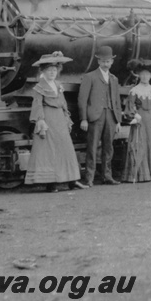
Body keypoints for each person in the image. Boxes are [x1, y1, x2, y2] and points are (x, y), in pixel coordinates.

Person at [25, 51, 89, 192]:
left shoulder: (58, 84)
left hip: (60, 119)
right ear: (43, 71)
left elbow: (63, 102)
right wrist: (40, 120)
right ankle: (51, 183)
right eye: (49, 70)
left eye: (54, 70)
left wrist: (67, 118)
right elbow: (37, 104)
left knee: (66, 149)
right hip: (48, 119)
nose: (52, 73)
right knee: (49, 151)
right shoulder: (39, 87)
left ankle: (73, 180)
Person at [78, 46, 123, 186]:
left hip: (110, 115)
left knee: (108, 147)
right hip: (95, 116)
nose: (106, 63)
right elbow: (82, 99)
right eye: (103, 61)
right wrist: (83, 119)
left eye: (108, 61)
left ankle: (107, 176)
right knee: (92, 147)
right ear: (98, 61)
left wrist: (118, 121)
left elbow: (116, 100)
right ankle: (89, 178)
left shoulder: (114, 79)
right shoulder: (89, 77)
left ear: (112, 62)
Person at [121, 59, 151, 183]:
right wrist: (135, 115)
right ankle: (140, 175)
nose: (144, 77)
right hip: (140, 119)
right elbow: (130, 106)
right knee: (140, 144)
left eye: (147, 74)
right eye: (142, 74)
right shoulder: (134, 90)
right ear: (138, 75)